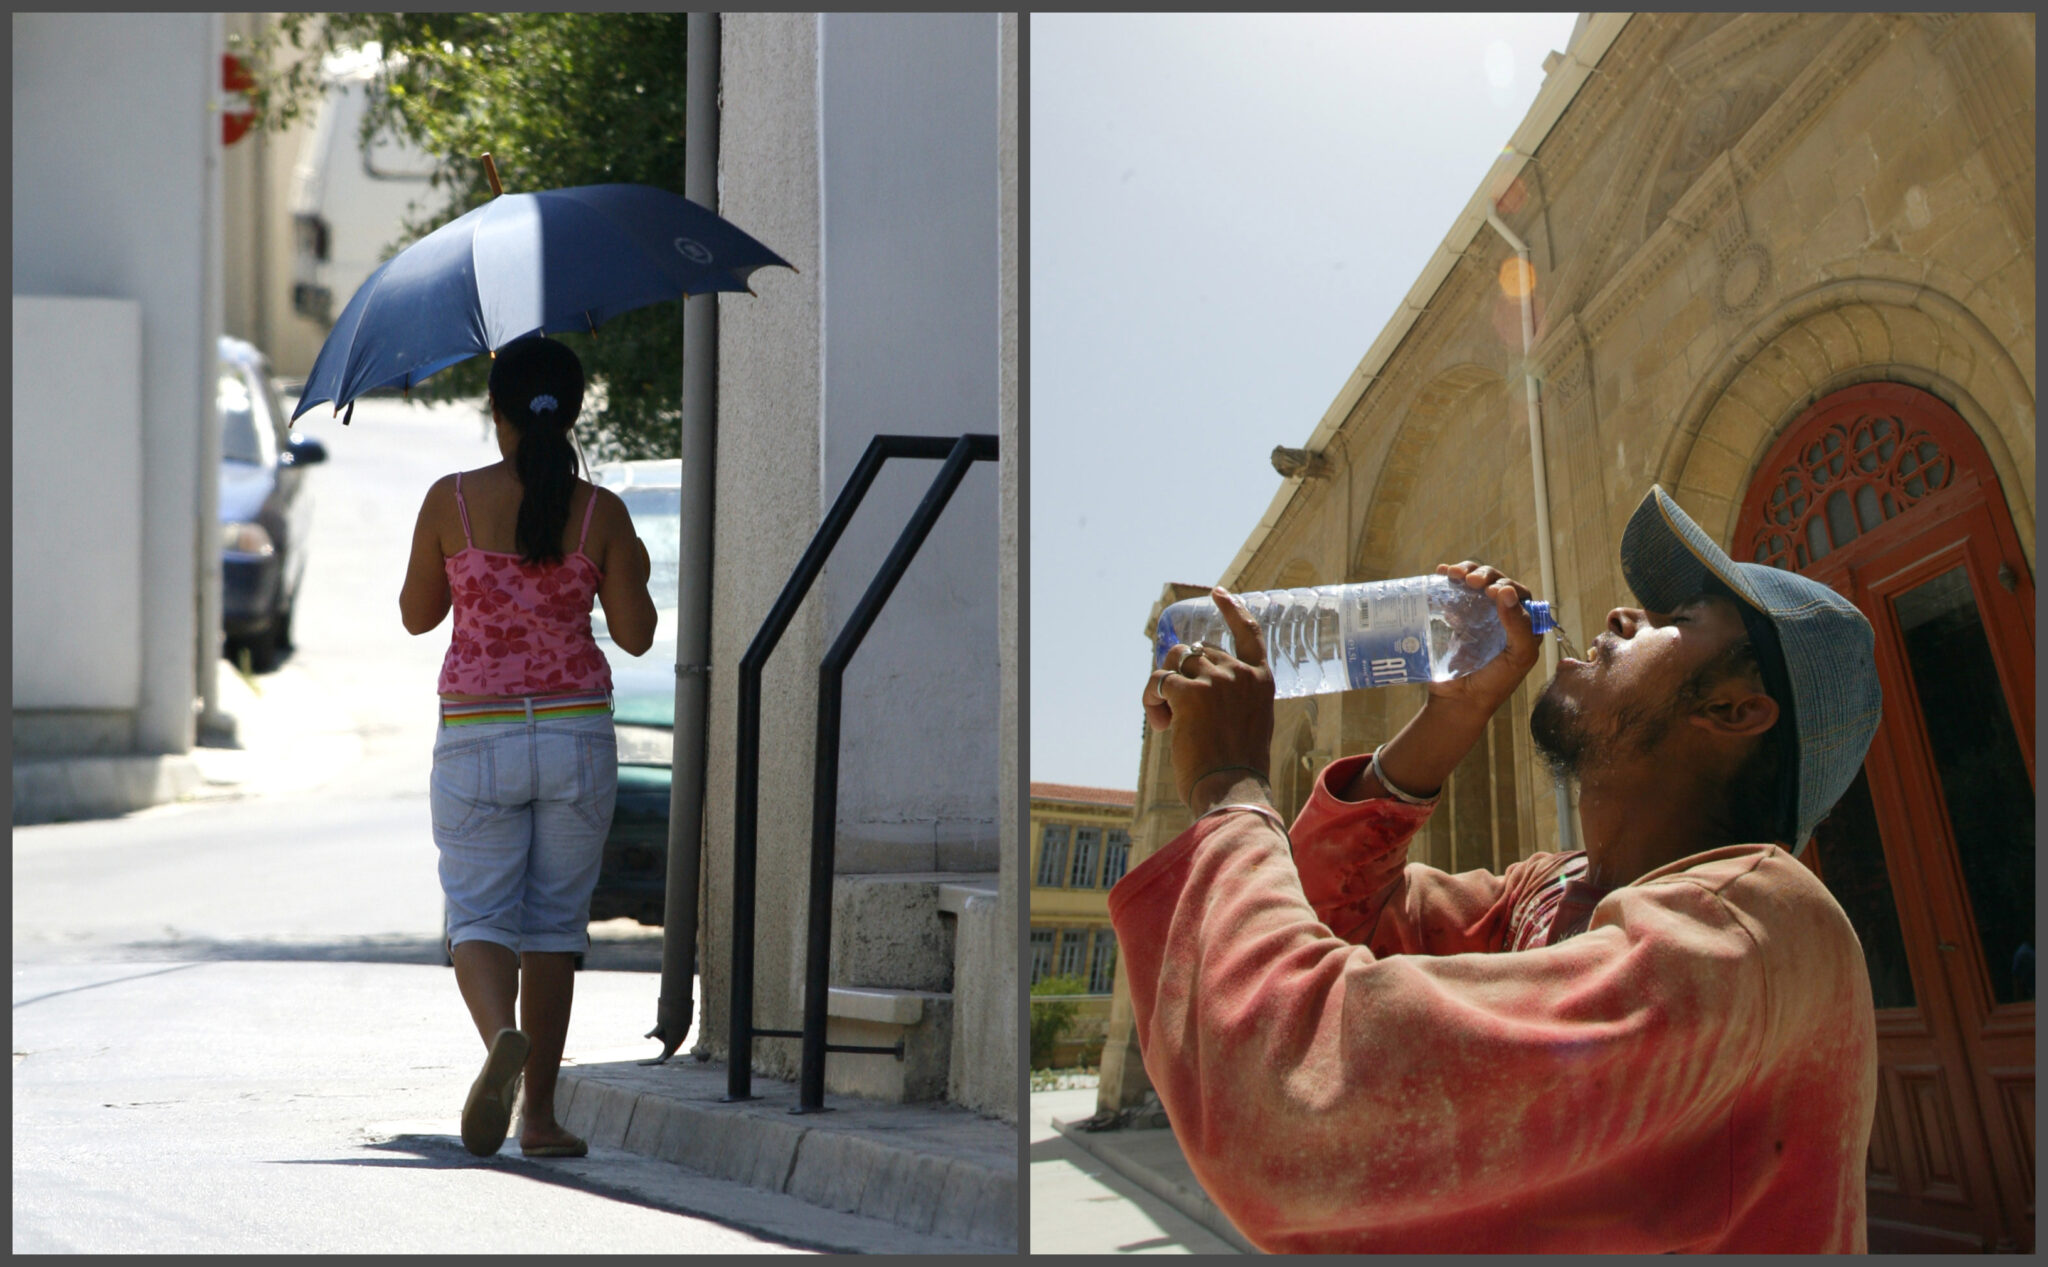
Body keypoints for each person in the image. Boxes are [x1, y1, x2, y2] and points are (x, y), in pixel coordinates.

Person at [1110, 485, 1884, 1253]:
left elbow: (1290, 1107)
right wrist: (1451, 712)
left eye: (1676, 619)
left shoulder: (1755, 930)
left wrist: (1229, 785)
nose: (1624, 615)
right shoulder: (1554, 891)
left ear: (1734, 711)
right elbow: (1328, 912)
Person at [399, 335, 658, 1159]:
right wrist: (629, 563)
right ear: (574, 412)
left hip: (479, 734)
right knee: (554, 926)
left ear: (495, 410)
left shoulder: (451, 501)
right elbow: (638, 635)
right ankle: (539, 1119)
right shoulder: (600, 512)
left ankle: (498, 1041)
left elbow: (416, 615)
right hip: (575, 734)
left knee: (478, 914)